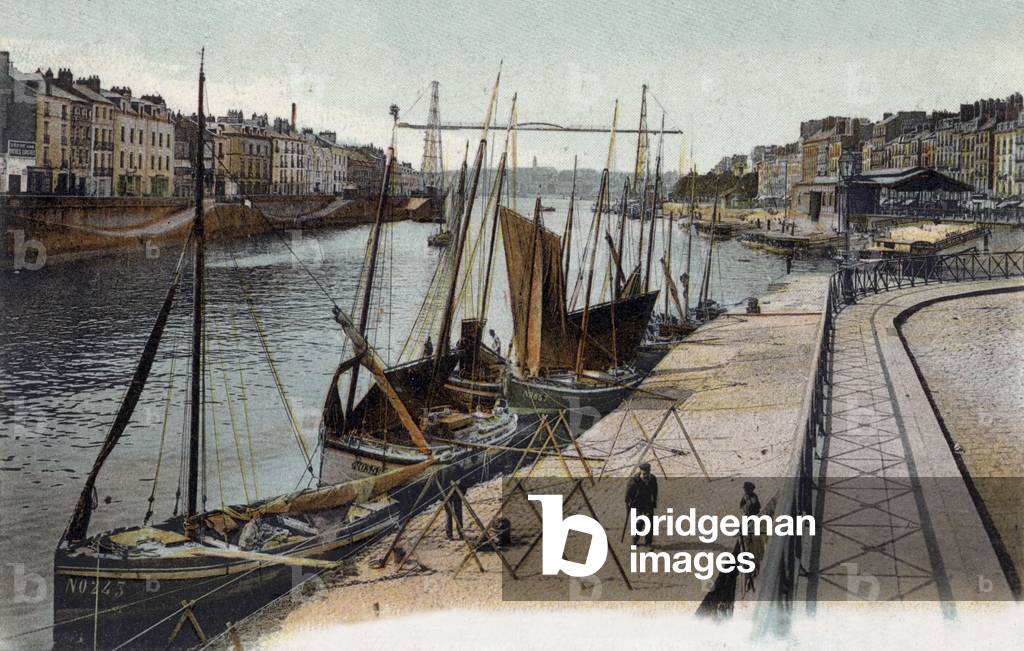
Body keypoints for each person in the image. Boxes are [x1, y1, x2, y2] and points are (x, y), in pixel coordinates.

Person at [625, 462, 658, 546]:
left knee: (650, 522)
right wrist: (627, 505)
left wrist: (654, 501)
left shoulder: (652, 479)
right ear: (641, 472)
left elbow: (655, 491)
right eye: (644, 473)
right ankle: (635, 540)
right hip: (637, 504)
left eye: (648, 472)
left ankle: (648, 542)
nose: (646, 475)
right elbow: (628, 494)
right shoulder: (634, 481)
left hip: (648, 503)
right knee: (639, 522)